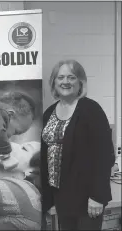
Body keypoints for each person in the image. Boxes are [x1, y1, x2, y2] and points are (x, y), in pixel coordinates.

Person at [40, 59, 115, 230]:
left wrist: (97, 196)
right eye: (60, 77)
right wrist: (48, 199)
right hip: (61, 195)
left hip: (87, 197)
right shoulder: (49, 113)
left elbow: (105, 155)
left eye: (71, 77)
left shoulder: (91, 110)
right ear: (54, 82)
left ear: (80, 82)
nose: (65, 82)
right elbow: (45, 157)